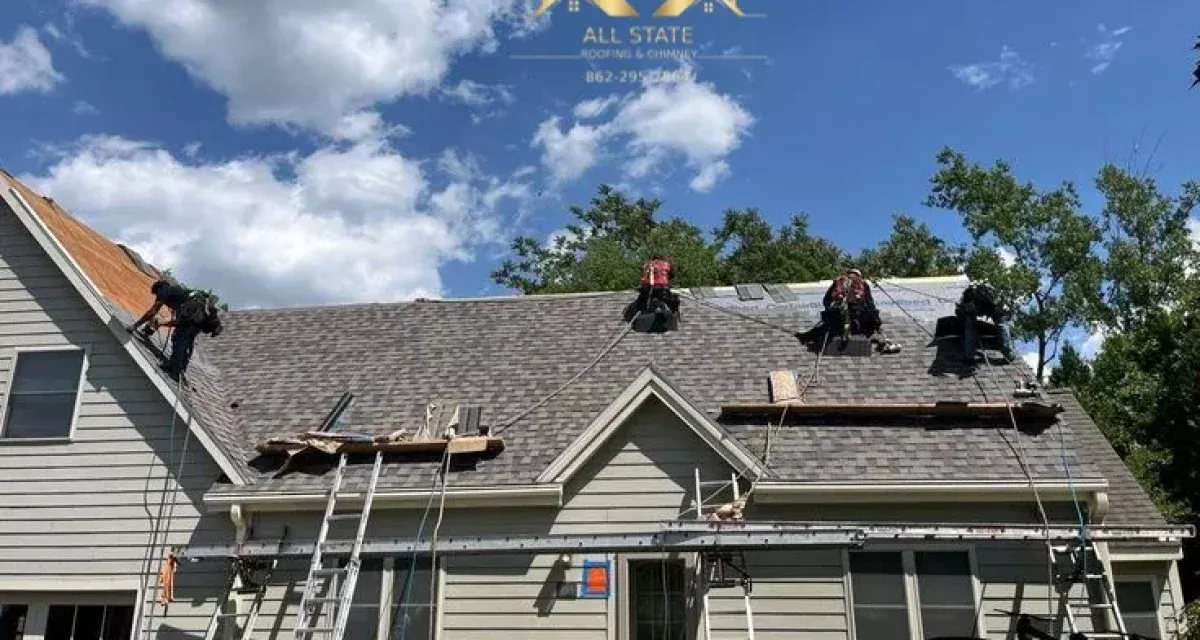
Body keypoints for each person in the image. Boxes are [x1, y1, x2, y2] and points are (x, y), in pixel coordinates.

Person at [129, 279, 221, 380]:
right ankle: (180, 368)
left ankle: (174, 370)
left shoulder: (164, 291)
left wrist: (135, 326)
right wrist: (159, 324)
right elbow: (177, 321)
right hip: (199, 318)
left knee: (180, 339)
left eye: (156, 294)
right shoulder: (179, 294)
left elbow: (153, 311)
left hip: (193, 315)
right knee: (187, 340)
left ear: (159, 289)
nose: (157, 297)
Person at [817, 269, 901, 353]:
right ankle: (882, 341)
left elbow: (826, 302)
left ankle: (845, 333)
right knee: (868, 316)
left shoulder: (838, 282)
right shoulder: (862, 284)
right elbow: (870, 304)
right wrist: (876, 322)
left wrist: (830, 311)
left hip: (839, 318)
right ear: (859, 275)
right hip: (855, 318)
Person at [956, 282, 1016, 362]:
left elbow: (999, 315)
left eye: (970, 307)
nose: (969, 309)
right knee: (969, 326)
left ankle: (1009, 353)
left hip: (998, 308)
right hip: (982, 306)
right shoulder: (965, 301)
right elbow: (965, 315)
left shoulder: (988, 298)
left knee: (1001, 325)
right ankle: (969, 355)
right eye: (968, 308)